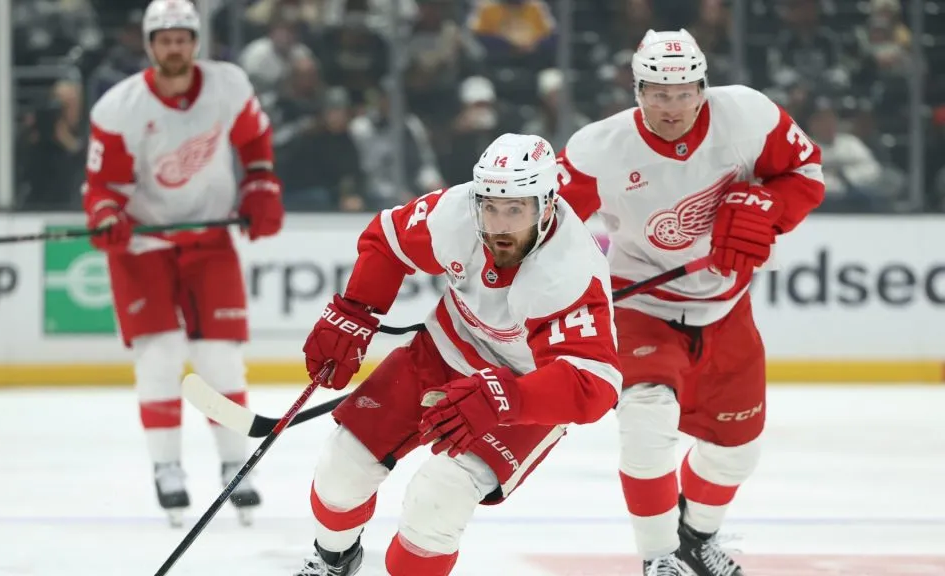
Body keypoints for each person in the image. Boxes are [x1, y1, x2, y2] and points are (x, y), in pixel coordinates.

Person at [558, 29, 825, 575]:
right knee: (646, 419)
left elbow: (806, 174)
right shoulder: (597, 149)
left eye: (682, 92)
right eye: (657, 91)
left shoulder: (749, 114)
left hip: (726, 308)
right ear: (637, 90)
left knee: (736, 451)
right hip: (641, 306)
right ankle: (658, 559)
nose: (671, 105)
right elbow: (546, 227)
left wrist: (768, 205)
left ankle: (693, 538)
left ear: (703, 87)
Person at [293, 133, 622, 576]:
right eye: (490, 207)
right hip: (443, 351)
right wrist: (354, 312)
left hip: (521, 391)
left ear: (546, 205)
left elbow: (594, 384)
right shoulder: (455, 212)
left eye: (516, 209)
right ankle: (333, 563)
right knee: (341, 472)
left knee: (437, 500)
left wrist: (508, 397)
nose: (499, 224)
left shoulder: (568, 270)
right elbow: (387, 240)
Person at [81, 0, 284, 527]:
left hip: (209, 239)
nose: (174, 47)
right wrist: (107, 215)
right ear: (149, 45)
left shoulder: (229, 85)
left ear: (196, 42)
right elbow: (103, 187)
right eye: (163, 38)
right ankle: (167, 467)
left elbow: (255, 141)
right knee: (160, 354)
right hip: (142, 246)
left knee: (219, 360)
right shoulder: (118, 108)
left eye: (182, 37)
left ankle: (236, 468)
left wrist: (261, 183)